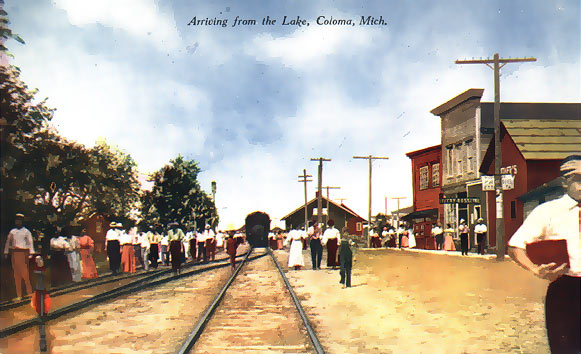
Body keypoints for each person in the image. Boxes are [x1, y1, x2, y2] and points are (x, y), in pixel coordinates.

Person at [507, 155, 581, 354]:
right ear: (565, 182)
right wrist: (535, 269)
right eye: (579, 179)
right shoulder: (547, 212)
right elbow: (515, 247)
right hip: (565, 289)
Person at [3, 213, 35, 299]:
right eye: (16, 220)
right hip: (15, 253)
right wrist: (6, 252)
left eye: (19, 221)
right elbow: (8, 242)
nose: (18, 222)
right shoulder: (12, 231)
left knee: (25, 273)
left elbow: (30, 242)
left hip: (23, 252)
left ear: (22, 221)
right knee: (16, 274)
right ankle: (19, 294)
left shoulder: (26, 231)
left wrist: (31, 253)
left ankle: (29, 292)